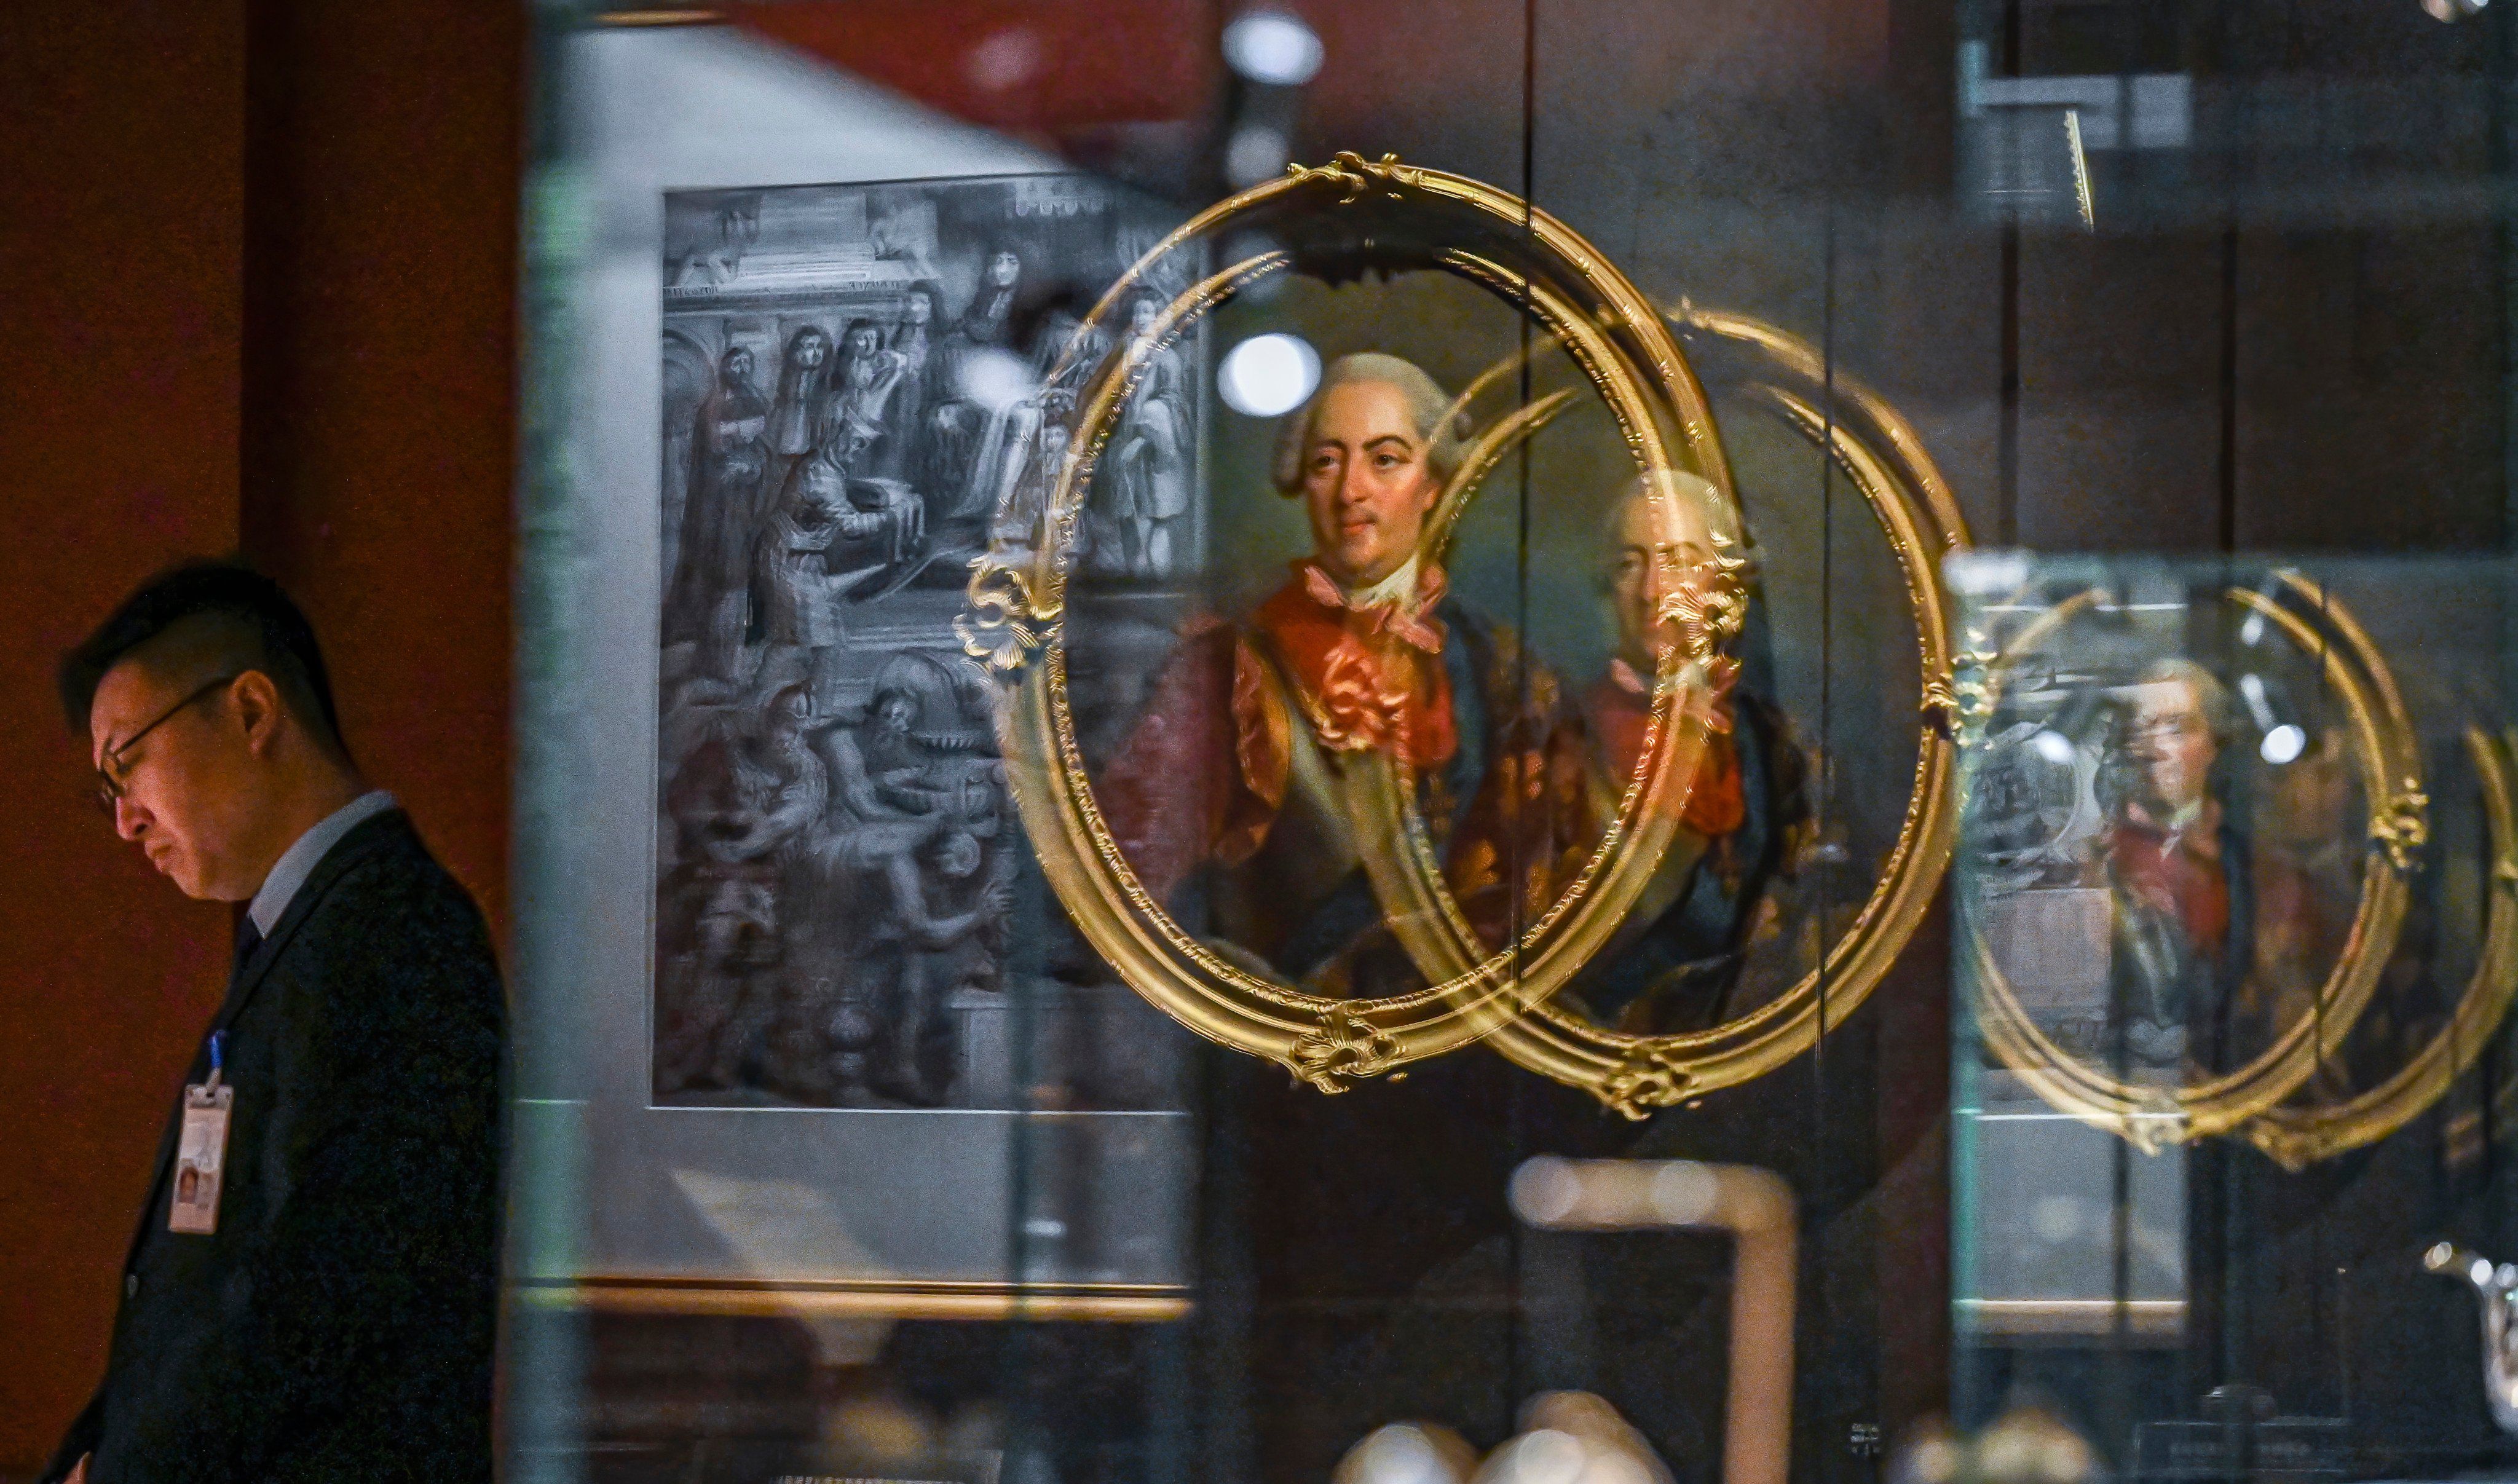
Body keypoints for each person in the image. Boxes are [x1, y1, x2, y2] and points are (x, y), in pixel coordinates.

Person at [45, 561, 505, 1483]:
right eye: (107, 792)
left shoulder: (390, 931)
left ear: (252, 713)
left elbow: (313, 1300)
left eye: (126, 764)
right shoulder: (305, 935)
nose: (125, 822)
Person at [1094, 352, 1593, 992]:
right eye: (1327, 462)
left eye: (1384, 459)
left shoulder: (1508, 672)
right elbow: (1126, 889)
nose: (1351, 490)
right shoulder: (1227, 669)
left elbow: (1568, 893)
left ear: (1434, 484)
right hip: (1287, 1061)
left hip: (1474, 1061)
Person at [1564, 476, 1810, 1035]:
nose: (1653, 591)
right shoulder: (1562, 734)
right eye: (1630, 565)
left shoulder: (1772, 735)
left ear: (1724, 583)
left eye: (1679, 561)